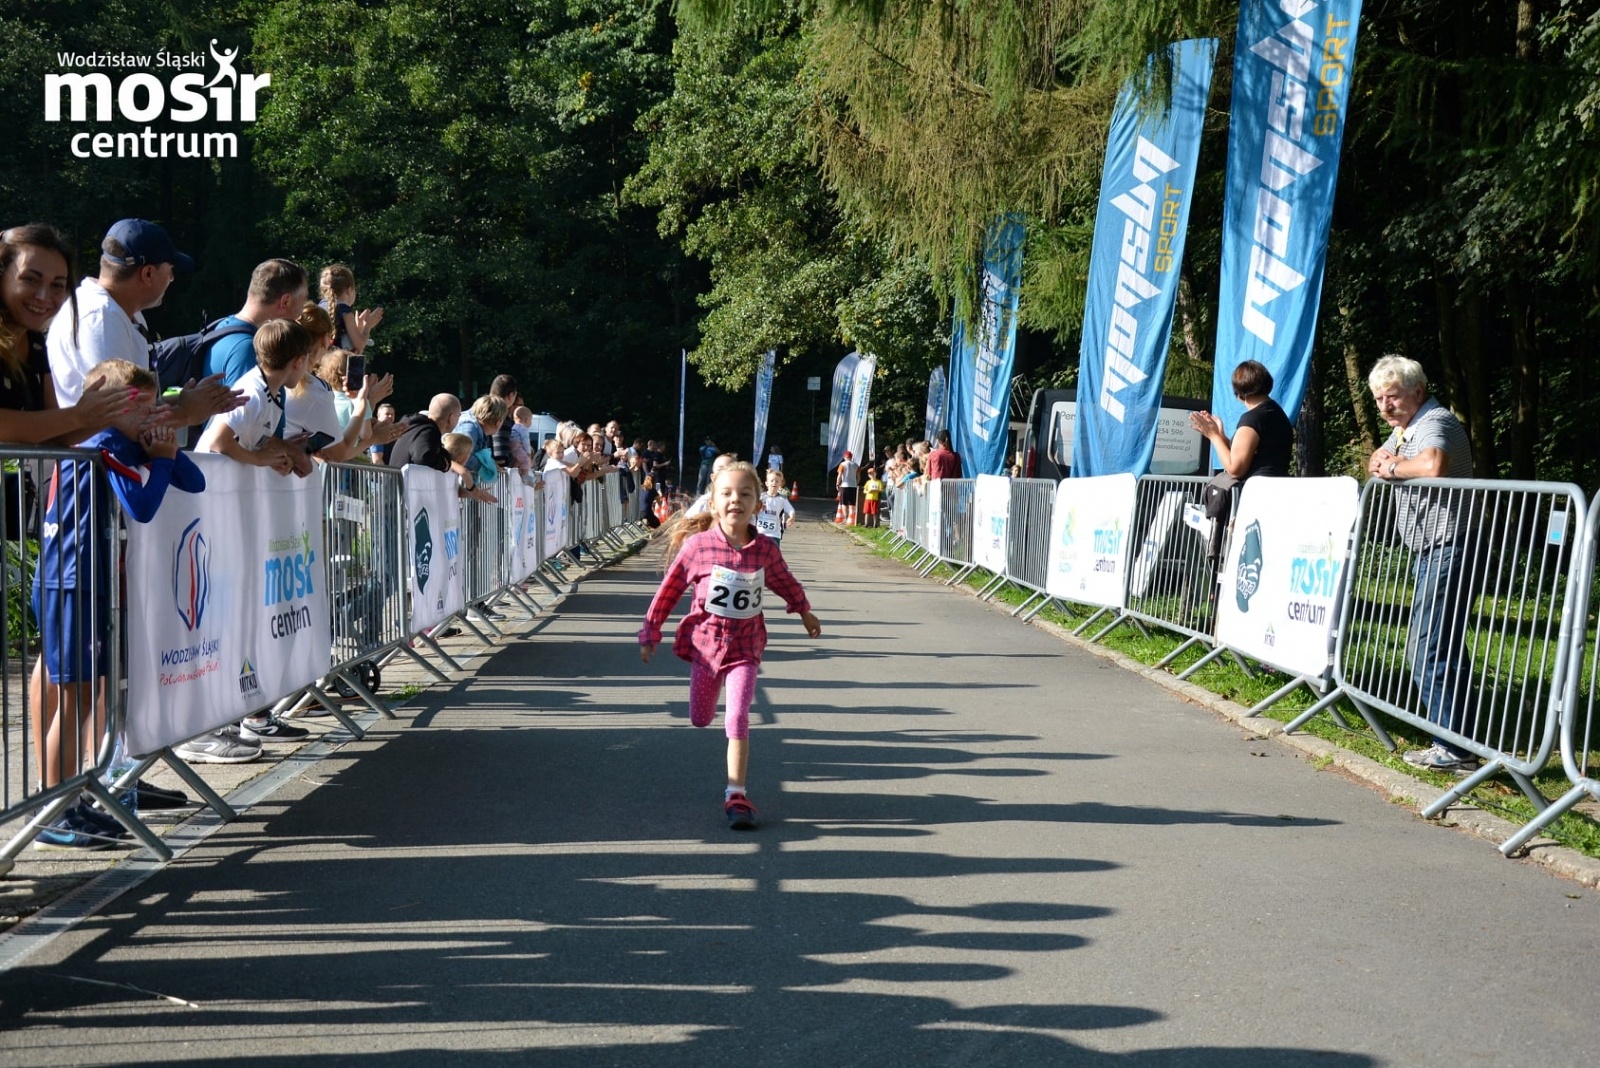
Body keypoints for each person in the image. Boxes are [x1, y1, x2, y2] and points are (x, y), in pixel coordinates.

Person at [31, 360, 208, 848]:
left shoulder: (124, 440)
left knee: (87, 696)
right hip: (72, 581)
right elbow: (141, 506)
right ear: (110, 406)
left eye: (154, 406)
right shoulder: (104, 442)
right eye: (142, 407)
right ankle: (53, 811)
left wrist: (164, 445)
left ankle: (69, 800)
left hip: (86, 581)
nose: (152, 415)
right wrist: (163, 459)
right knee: (76, 699)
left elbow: (194, 482)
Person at [639, 461, 822, 829]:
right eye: (726, 493)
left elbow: (785, 582)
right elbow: (669, 590)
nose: (735, 499)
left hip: (745, 648)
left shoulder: (765, 550)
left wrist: (804, 611)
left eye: (745, 494)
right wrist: (650, 631)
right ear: (713, 503)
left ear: (758, 505)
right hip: (706, 648)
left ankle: (736, 794)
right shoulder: (697, 547)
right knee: (700, 718)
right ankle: (715, 730)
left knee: (737, 716)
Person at [1364, 355, 1480, 773]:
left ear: (1417, 391)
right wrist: (1385, 462)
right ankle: (1462, 741)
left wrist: (1393, 467)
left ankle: (1452, 748)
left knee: (1426, 645)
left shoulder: (1435, 422)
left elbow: (1433, 465)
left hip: (1450, 546)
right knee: (1443, 645)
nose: (1385, 406)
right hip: (1432, 549)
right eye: (1379, 399)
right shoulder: (1405, 428)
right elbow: (1376, 461)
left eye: (1392, 396)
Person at [44, 219, 239, 429]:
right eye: (170, 269)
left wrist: (178, 400)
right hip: (94, 450)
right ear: (148, 274)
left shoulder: (123, 313)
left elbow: (133, 405)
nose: (172, 278)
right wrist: (186, 413)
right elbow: (118, 417)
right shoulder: (100, 319)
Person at [203, 259, 311, 389]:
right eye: (303, 301)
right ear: (286, 301)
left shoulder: (222, 327)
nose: (300, 315)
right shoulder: (250, 349)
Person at [1189, 360, 1293, 479]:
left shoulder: (1253, 419)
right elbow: (1252, 453)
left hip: (1258, 488)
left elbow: (1235, 470)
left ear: (1239, 392)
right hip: (1279, 486)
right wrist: (1221, 436)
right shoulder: (1278, 414)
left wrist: (1213, 436)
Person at [319, 264, 383, 355]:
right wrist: (367, 326)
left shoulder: (319, 308)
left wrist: (358, 328)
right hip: (337, 362)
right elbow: (359, 347)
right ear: (349, 290)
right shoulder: (345, 312)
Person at [756, 469, 795, 543]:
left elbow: (790, 510)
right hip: (760, 533)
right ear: (766, 483)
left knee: (773, 551)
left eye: (777, 481)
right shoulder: (761, 497)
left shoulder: (782, 499)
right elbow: (751, 508)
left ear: (780, 484)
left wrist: (792, 517)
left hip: (774, 534)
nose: (774, 483)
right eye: (772, 481)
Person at [834, 450, 859, 525]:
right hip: (853, 486)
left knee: (844, 503)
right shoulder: (856, 465)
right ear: (851, 457)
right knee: (852, 503)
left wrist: (837, 484)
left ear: (845, 457)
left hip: (844, 485)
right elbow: (858, 476)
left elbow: (839, 475)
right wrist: (856, 483)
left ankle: (846, 518)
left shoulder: (842, 464)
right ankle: (852, 519)